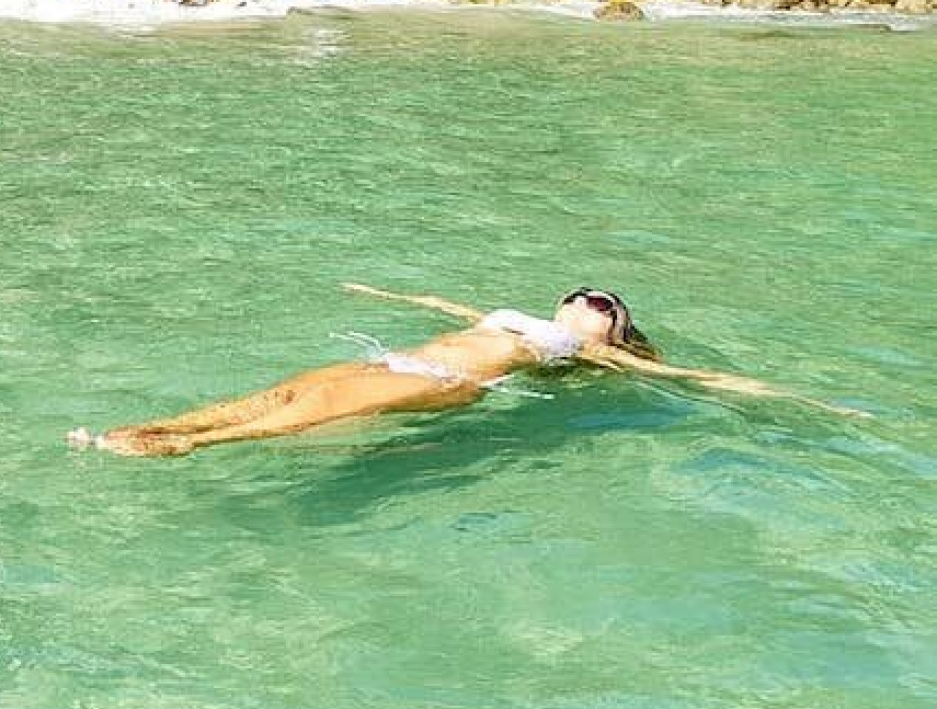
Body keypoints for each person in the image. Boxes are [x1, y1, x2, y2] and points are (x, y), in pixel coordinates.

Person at [66, 286, 850, 458]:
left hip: (445, 386)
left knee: (313, 414)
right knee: (280, 392)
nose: (587, 301)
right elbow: (441, 300)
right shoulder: (515, 316)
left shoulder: (593, 352)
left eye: (603, 304)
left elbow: (696, 383)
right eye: (580, 293)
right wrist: (383, 294)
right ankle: (162, 423)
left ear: (617, 329)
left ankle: (182, 447)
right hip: (400, 356)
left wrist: (791, 396)